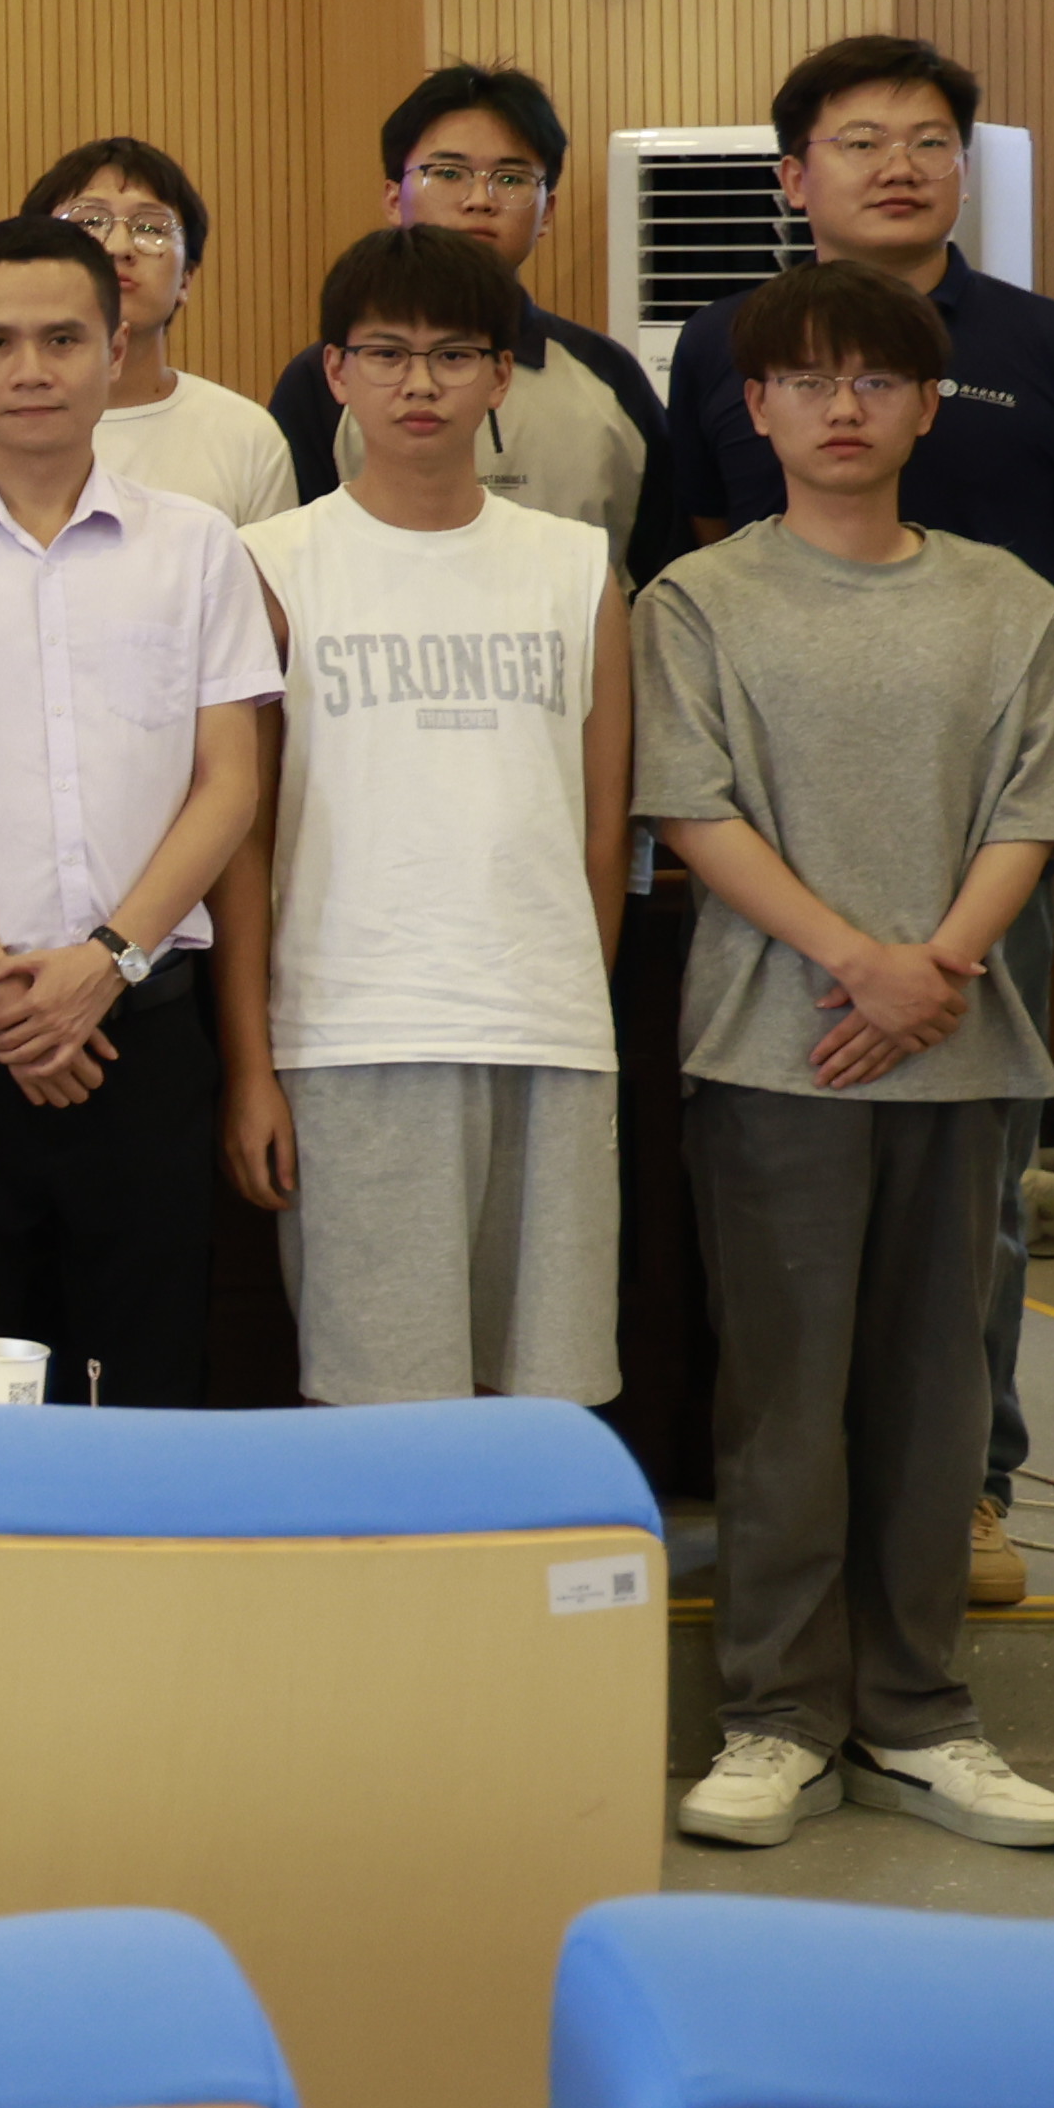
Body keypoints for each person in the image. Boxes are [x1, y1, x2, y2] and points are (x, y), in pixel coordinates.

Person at [658, 36, 1054, 1606]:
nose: (898, 165)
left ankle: (973, 1490)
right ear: (793, 175)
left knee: (976, 1197)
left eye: (930, 139)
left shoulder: (1051, 344)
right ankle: (792, 1527)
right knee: (785, 1221)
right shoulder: (722, 343)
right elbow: (707, 549)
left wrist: (1020, 765)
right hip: (781, 856)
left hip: (984, 858)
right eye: (861, 139)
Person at [641, 261, 1054, 1855]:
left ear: (925, 409)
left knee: (934, 1394)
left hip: (958, 1051)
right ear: (755, 409)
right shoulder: (697, 603)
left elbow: (1036, 807)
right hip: (774, 1053)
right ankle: (776, 1718)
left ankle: (921, 1714)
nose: (843, 408)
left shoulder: (1005, 601)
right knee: (781, 1397)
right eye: (809, 381)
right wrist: (858, 962)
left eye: (877, 381)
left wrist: (939, 969)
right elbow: (692, 808)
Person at [0, 217, 282, 1410]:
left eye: (62, 339)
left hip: (145, 1025)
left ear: (115, 346)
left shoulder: (197, 547)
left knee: (143, 1382)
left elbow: (230, 784)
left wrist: (106, 961)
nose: (30, 368)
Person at [227, 226, 636, 1412]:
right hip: (352, 1030)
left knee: (543, 1394)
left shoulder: (577, 569)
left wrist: (576, 1002)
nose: (420, 383)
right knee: (382, 1403)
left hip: (547, 1031)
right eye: (387, 353)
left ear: (500, 375)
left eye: (454, 355)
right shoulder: (273, 563)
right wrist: (251, 1066)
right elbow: (243, 841)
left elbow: (603, 827)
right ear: (335, 370)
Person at [261, 65, 692, 567]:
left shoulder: (609, 377)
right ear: (393, 199)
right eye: (448, 174)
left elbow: (659, 569)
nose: (479, 200)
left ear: (547, 211)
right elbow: (293, 558)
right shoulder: (327, 379)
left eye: (510, 179)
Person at [0, 140, 301, 526]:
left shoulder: (246, 435)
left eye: (150, 227)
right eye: (90, 223)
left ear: (186, 278)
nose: (118, 247)